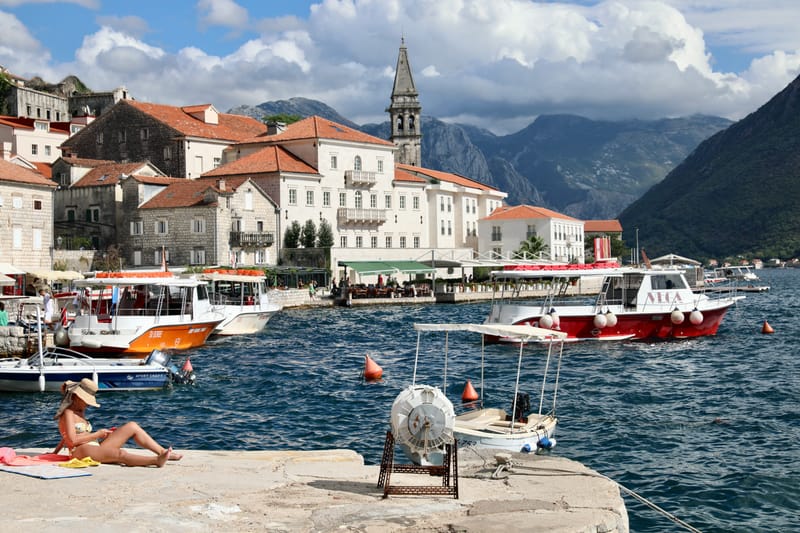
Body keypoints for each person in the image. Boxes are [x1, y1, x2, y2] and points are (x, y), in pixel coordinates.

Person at [53, 378, 181, 467]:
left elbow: (65, 435)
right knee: (120, 454)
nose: (87, 404)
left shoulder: (80, 410)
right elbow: (71, 441)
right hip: (79, 451)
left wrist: (55, 452)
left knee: (132, 426)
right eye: (85, 400)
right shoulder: (69, 413)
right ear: (76, 397)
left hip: (94, 447)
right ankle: (156, 461)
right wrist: (98, 434)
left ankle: (162, 452)